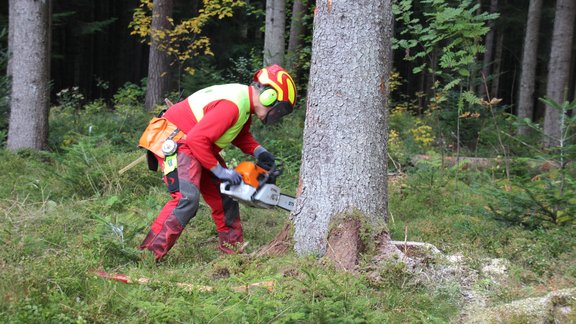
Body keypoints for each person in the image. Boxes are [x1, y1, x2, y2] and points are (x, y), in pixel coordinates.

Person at [138, 64, 297, 261]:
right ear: (269, 96)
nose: (277, 115)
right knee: (186, 199)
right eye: (279, 110)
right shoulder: (233, 105)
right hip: (178, 138)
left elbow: (240, 135)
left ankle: (232, 253)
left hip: (196, 144)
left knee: (225, 196)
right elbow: (196, 139)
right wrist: (221, 172)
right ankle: (147, 256)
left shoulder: (243, 105)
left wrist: (261, 152)